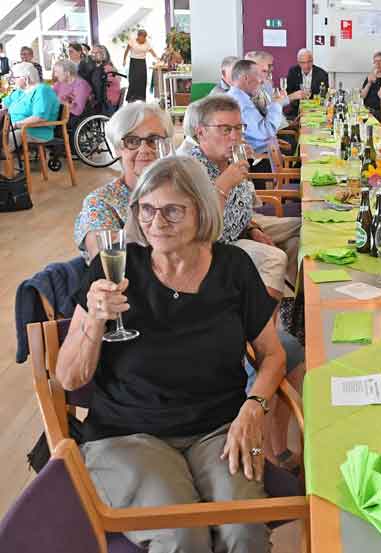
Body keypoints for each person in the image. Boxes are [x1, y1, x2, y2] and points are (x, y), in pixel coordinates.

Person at [57, 157, 287, 552]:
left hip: (220, 428)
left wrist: (254, 407)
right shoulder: (113, 270)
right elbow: (68, 378)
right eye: (146, 209)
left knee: (244, 530)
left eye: (172, 210)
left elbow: (273, 355)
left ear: (202, 210)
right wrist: (94, 321)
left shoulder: (233, 267)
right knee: (183, 536)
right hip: (126, 432)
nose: (156, 222)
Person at [188, 94, 301, 299]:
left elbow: (241, 206)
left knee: (303, 230)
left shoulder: (231, 160)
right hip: (219, 245)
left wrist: (252, 229)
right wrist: (223, 184)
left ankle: (301, 305)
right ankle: (261, 318)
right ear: (201, 132)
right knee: (274, 258)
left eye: (239, 128)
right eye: (225, 129)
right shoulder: (190, 170)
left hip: (243, 226)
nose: (235, 136)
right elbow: (202, 231)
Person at [74, 102, 174, 262]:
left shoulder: (183, 190)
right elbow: (107, 263)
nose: (144, 149)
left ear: (167, 146)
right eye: (132, 141)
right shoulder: (100, 202)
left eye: (153, 140)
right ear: (117, 148)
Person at [226, 59, 286, 172]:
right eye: (259, 76)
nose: (262, 81)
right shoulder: (240, 103)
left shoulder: (237, 97)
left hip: (265, 153)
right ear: (246, 78)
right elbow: (266, 132)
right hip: (259, 162)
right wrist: (277, 104)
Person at [3, 62, 60, 147]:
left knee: (4, 139)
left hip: (34, 131)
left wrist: (16, 125)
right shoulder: (20, 91)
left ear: (25, 78)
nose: (13, 80)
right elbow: (4, 105)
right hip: (13, 129)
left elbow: (39, 117)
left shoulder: (42, 91)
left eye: (15, 77)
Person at [284, 48, 328, 117]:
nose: (306, 65)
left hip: (316, 111)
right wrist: (296, 96)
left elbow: (325, 96)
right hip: (297, 111)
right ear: (298, 62)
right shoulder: (293, 72)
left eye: (309, 62)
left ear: (312, 61)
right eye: (303, 63)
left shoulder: (322, 74)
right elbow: (289, 93)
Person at [51, 59, 92, 127]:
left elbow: (78, 110)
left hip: (73, 118)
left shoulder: (81, 85)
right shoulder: (59, 84)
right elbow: (50, 97)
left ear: (67, 73)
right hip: (60, 113)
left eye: (57, 72)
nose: (55, 75)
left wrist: (59, 102)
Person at [122, 29, 158, 102]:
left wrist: (157, 58)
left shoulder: (147, 43)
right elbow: (126, 51)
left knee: (142, 80)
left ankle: (141, 98)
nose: (144, 38)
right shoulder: (132, 41)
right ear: (138, 36)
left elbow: (152, 51)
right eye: (142, 37)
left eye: (145, 37)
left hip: (142, 62)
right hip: (133, 62)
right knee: (133, 80)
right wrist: (124, 60)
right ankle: (131, 97)